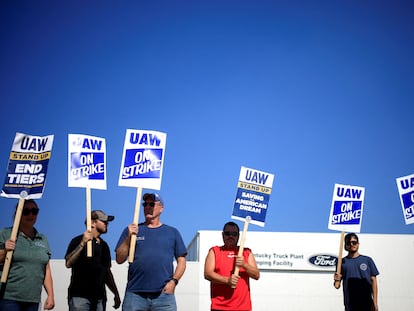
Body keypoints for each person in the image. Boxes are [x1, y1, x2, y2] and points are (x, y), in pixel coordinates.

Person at [115, 193, 187, 311]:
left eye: (152, 204)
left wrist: (174, 282)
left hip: (164, 296)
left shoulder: (172, 232)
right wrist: (129, 237)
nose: (147, 207)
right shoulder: (132, 230)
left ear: (161, 208)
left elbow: (182, 261)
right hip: (135, 295)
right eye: (145, 204)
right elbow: (119, 259)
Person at [0, 199, 55, 311]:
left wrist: (51, 295)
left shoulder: (43, 239)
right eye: (26, 211)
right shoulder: (6, 234)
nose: (31, 214)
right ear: (19, 213)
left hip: (33, 299)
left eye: (34, 211)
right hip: (9, 297)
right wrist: (5, 250)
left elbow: (46, 269)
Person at [65, 210, 121, 311]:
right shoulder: (77, 240)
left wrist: (115, 293)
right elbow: (68, 263)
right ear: (93, 223)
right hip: (80, 296)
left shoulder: (104, 246)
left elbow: (107, 272)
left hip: (99, 298)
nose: (107, 224)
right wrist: (82, 243)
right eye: (104, 221)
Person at [204, 221, 260, 311]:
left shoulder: (246, 252)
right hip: (220, 307)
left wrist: (244, 265)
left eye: (234, 234)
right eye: (227, 233)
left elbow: (256, 275)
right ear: (222, 235)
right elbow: (207, 273)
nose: (231, 236)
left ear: (238, 236)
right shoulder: (215, 251)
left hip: (242, 308)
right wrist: (227, 280)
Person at [333, 233, 379, 311]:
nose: (351, 244)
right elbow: (337, 286)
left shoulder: (367, 260)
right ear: (345, 246)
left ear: (358, 244)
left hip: (367, 303)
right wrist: (336, 280)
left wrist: (375, 301)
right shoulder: (341, 262)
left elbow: (373, 281)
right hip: (350, 304)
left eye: (354, 242)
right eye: (348, 243)